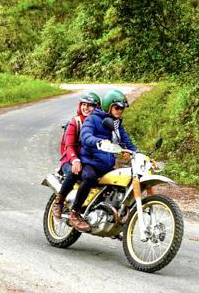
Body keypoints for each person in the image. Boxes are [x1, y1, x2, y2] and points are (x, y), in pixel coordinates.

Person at [68, 88, 137, 232]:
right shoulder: (93, 118)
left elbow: (127, 142)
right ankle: (74, 213)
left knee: (121, 182)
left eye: (122, 108)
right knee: (90, 177)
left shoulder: (117, 125)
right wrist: (98, 142)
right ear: (108, 106)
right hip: (90, 162)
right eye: (117, 107)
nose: (120, 111)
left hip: (106, 165)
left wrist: (138, 153)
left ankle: (114, 218)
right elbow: (85, 135)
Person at [53, 91, 101, 220]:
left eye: (90, 105)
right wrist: (74, 160)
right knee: (75, 171)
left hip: (88, 161)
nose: (86, 108)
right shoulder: (76, 122)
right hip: (70, 160)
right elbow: (69, 145)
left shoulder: (99, 124)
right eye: (83, 104)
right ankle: (59, 201)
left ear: (97, 107)